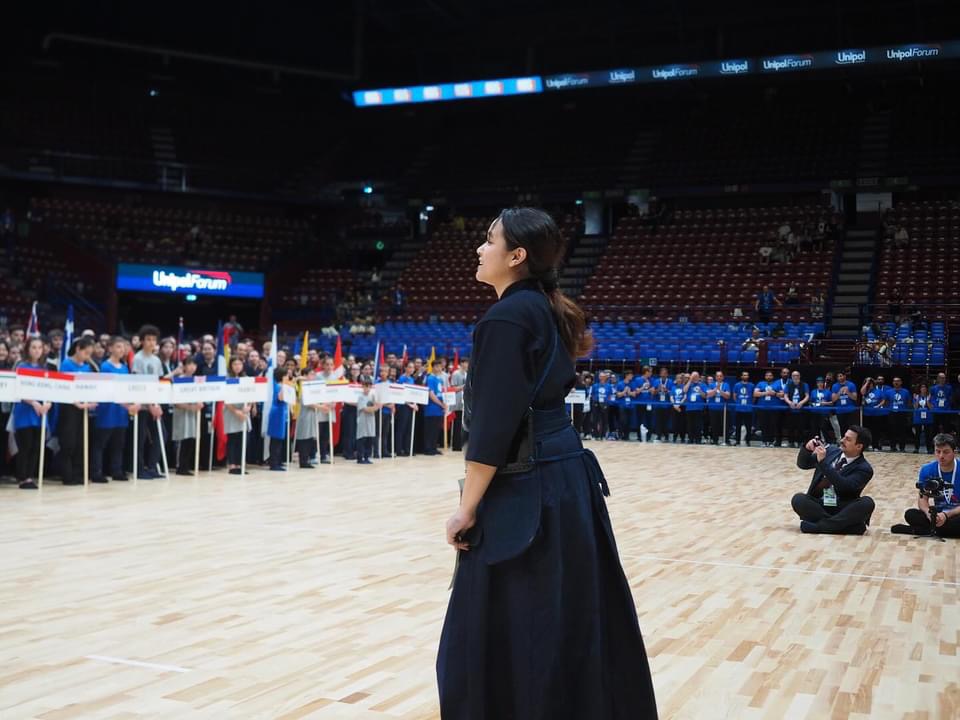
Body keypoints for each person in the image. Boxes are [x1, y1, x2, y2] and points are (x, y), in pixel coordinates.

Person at [439, 207, 657, 718]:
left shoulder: (506, 318)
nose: (479, 248)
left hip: (526, 491)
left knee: (501, 634)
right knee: (564, 620)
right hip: (564, 484)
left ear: (516, 256)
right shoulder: (548, 308)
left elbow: (492, 431)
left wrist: (466, 508)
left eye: (489, 240)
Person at [791, 426, 876, 535]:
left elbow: (844, 486)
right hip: (819, 504)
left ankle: (819, 527)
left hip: (842, 507)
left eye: (848, 439)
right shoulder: (831, 451)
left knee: (867, 503)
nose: (842, 440)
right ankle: (845, 527)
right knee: (798, 499)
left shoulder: (864, 469)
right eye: (844, 437)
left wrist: (823, 463)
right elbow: (803, 464)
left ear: (859, 446)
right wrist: (807, 449)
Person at [891, 433, 960, 537]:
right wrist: (929, 514)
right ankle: (940, 530)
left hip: (956, 513)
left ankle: (921, 530)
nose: (941, 456)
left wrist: (946, 515)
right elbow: (923, 498)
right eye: (938, 451)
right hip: (938, 514)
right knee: (910, 514)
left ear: (954, 452)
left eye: (946, 452)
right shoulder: (927, 469)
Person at [92, 336, 138, 483]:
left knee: (119, 443)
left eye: (123, 347)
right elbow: (108, 390)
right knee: (101, 443)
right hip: (108, 410)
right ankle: (97, 471)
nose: (122, 350)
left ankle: (116, 470)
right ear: (110, 348)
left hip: (122, 412)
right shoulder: (105, 367)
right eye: (118, 347)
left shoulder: (125, 368)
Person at [12, 337, 51, 489]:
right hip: (25, 411)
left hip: (40, 412)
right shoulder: (21, 366)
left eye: (39, 348)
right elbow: (18, 390)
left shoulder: (44, 368)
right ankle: (22, 477)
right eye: (33, 347)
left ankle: (30, 475)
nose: (36, 350)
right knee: (25, 446)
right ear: (28, 349)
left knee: (36, 446)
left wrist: (48, 403)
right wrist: (34, 402)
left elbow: (50, 389)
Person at [58, 336, 97, 485]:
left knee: (81, 442)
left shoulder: (87, 367)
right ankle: (67, 476)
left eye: (90, 354)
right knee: (69, 442)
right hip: (69, 408)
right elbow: (65, 388)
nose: (88, 357)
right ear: (78, 349)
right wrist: (77, 403)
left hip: (83, 408)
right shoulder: (66, 364)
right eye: (86, 353)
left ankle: (79, 473)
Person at [133, 325, 165, 479]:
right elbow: (139, 385)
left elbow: (158, 384)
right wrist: (149, 404)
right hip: (141, 406)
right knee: (140, 439)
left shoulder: (156, 360)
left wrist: (156, 404)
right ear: (142, 341)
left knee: (161, 435)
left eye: (154, 340)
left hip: (153, 404)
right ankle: (139, 469)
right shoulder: (138, 359)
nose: (151, 343)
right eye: (148, 340)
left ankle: (152, 467)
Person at [172, 357, 203, 475]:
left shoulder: (196, 380)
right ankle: (179, 466)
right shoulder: (179, 380)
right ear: (184, 366)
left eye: (194, 364)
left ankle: (186, 465)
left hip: (193, 413)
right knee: (182, 439)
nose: (192, 367)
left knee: (191, 439)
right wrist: (190, 407)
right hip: (182, 413)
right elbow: (176, 401)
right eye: (189, 364)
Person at [224, 357, 251, 474]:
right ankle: (232, 465)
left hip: (244, 411)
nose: (237, 366)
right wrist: (236, 411)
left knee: (242, 439)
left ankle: (240, 464)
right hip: (231, 412)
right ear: (231, 365)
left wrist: (248, 407)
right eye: (235, 364)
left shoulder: (246, 379)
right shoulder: (227, 379)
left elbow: (252, 394)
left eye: (239, 364)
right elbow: (226, 399)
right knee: (233, 439)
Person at [267, 367, 289, 471]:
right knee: (276, 439)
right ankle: (274, 463)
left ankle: (277, 461)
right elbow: (280, 398)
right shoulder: (279, 386)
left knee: (278, 439)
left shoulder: (279, 385)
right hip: (277, 413)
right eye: (286, 375)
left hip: (280, 412)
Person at [860, 376, 890, 452]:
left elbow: (883, 400)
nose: (869, 384)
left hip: (877, 414)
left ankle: (875, 446)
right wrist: (867, 382)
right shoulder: (865, 392)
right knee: (866, 431)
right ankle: (866, 446)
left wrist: (878, 405)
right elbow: (862, 392)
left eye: (870, 383)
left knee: (876, 431)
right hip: (866, 414)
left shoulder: (878, 391)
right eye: (867, 383)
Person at [422, 361, 445, 455]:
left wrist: (444, 404)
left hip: (439, 409)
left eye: (440, 366)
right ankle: (428, 448)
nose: (439, 368)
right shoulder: (430, 378)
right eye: (437, 366)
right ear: (433, 367)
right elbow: (431, 394)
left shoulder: (440, 379)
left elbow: (442, 392)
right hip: (431, 408)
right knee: (430, 429)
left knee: (436, 429)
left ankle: (434, 447)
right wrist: (440, 404)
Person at [355, 376, 380, 463]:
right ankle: (360, 458)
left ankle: (366, 457)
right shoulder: (361, 397)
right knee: (362, 439)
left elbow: (377, 405)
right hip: (363, 421)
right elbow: (365, 409)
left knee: (369, 439)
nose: (367, 388)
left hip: (371, 420)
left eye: (369, 386)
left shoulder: (372, 396)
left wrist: (376, 406)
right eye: (366, 386)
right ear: (363, 386)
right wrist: (375, 408)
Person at [782, 370, 810, 448]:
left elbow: (807, 396)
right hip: (791, 410)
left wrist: (801, 403)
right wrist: (790, 402)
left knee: (801, 427)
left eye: (797, 375)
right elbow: (785, 395)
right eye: (794, 376)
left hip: (801, 410)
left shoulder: (804, 385)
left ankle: (800, 442)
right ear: (791, 377)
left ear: (800, 376)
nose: (795, 377)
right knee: (790, 427)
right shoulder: (788, 385)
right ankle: (791, 442)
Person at [753, 369, 778, 447]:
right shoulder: (761, 383)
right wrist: (766, 393)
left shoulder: (776, 384)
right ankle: (764, 441)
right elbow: (755, 393)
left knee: (772, 425)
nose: (768, 377)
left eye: (770, 375)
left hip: (773, 408)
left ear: (773, 376)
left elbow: (782, 394)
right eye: (767, 375)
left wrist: (775, 393)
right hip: (762, 408)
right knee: (764, 425)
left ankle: (771, 441)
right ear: (765, 376)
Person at [887, 377, 912, 452]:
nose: (896, 382)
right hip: (892, 413)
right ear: (892, 383)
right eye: (894, 381)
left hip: (902, 413)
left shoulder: (906, 391)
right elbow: (886, 402)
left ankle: (902, 447)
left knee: (902, 431)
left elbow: (909, 402)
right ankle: (892, 447)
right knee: (892, 431)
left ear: (901, 382)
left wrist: (907, 412)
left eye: (898, 381)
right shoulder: (888, 392)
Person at [706, 370, 731, 445]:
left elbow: (727, 396)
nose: (719, 377)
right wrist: (715, 389)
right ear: (715, 377)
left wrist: (720, 390)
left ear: (723, 377)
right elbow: (709, 395)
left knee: (725, 425)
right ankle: (715, 440)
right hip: (713, 408)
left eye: (720, 376)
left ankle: (726, 440)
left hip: (723, 409)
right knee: (714, 425)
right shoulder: (711, 384)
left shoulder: (726, 385)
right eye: (717, 376)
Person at [449, 358, 468, 452]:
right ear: (461, 363)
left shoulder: (466, 374)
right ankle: (456, 445)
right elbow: (453, 388)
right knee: (457, 425)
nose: (467, 364)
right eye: (466, 363)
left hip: (464, 402)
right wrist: (463, 386)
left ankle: (461, 443)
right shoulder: (456, 374)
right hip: (457, 402)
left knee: (462, 425)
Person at [731, 371, 754, 446]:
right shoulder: (737, 385)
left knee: (748, 426)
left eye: (747, 375)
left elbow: (754, 397)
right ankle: (737, 441)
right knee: (738, 426)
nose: (745, 376)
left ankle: (748, 441)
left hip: (748, 409)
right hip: (739, 409)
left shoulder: (752, 385)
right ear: (741, 376)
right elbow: (734, 396)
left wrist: (750, 403)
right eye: (744, 375)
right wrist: (738, 402)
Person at [652, 367, 673, 442]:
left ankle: (666, 435)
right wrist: (658, 389)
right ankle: (658, 435)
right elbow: (653, 393)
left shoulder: (670, 381)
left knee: (666, 421)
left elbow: (672, 393)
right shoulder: (656, 381)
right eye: (662, 373)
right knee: (658, 421)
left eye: (665, 373)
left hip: (667, 405)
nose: (663, 374)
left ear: (667, 374)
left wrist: (666, 390)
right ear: (660, 374)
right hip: (658, 405)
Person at [913, 383, 935, 454]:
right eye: (922, 387)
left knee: (928, 434)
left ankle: (929, 449)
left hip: (928, 418)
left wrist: (928, 401)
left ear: (927, 389)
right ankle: (916, 448)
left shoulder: (930, 396)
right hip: (918, 417)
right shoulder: (916, 396)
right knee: (917, 434)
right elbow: (915, 407)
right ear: (919, 389)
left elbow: (932, 408)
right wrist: (916, 400)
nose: (923, 388)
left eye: (924, 387)